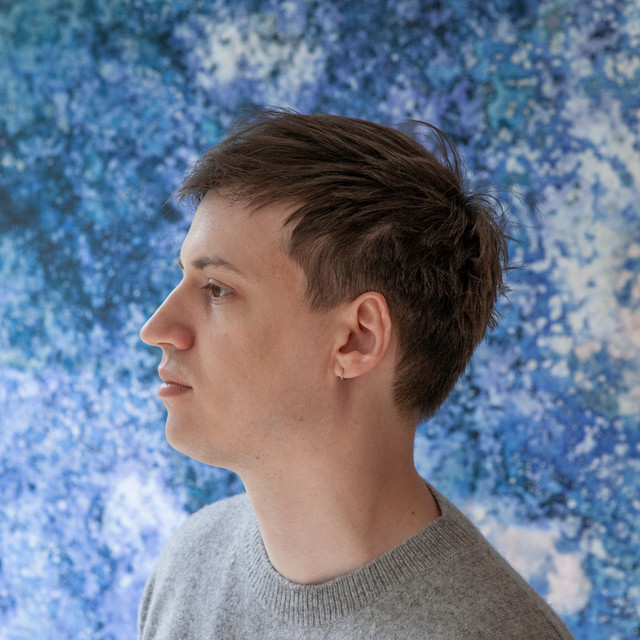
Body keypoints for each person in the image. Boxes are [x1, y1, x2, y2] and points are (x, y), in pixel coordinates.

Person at [138, 109, 575, 639]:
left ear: (357, 339)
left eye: (217, 289)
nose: (157, 329)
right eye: (185, 279)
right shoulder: (191, 566)